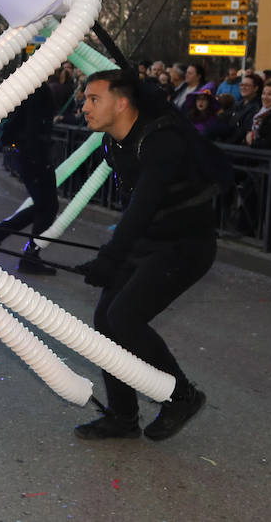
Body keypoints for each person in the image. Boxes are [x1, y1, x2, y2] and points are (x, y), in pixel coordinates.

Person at [74, 69, 215, 442]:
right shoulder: (113, 143)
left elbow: (144, 205)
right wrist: (113, 255)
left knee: (124, 316)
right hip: (148, 242)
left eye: (93, 99)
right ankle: (122, 416)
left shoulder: (161, 141)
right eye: (84, 99)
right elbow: (134, 211)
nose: (84, 107)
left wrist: (110, 257)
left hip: (186, 245)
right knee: (105, 320)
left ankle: (182, 395)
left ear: (122, 103)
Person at [0, 83, 58, 274]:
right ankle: (19, 250)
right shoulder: (37, 89)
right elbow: (33, 125)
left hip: (31, 155)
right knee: (47, 206)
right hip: (35, 156)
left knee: (44, 206)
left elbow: (19, 122)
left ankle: (3, 241)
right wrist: (38, 157)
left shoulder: (30, 87)